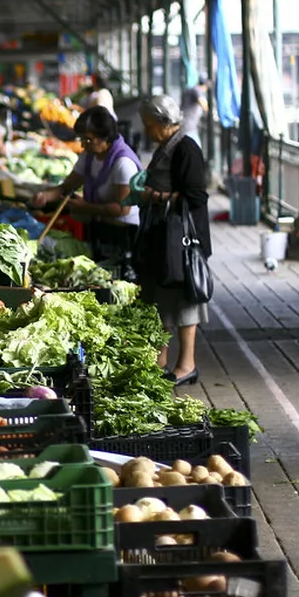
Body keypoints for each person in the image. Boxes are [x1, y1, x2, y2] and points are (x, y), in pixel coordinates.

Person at [134, 95, 211, 385]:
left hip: (183, 240)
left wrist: (154, 196)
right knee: (161, 299)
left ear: (161, 123)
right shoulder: (167, 145)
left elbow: (196, 195)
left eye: (148, 124)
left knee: (184, 300)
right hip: (165, 235)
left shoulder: (186, 147)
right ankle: (161, 360)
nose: (146, 130)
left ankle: (186, 364)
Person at [32, 107, 140, 262]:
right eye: (81, 139)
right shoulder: (89, 156)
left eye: (88, 139)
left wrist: (86, 207)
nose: (83, 145)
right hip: (98, 228)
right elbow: (67, 187)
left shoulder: (123, 163)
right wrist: (45, 196)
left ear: (106, 137)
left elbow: (122, 209)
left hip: (121, 235)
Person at [180, 78, 209, 147]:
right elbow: (204, 105)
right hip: (188, 126)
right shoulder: (197, 90)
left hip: (187, 125)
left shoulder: (191, 89)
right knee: (196, 149)